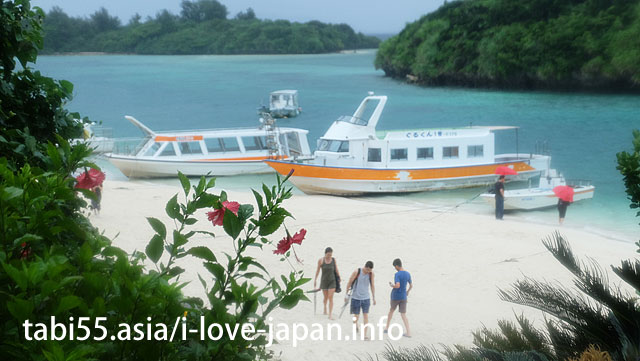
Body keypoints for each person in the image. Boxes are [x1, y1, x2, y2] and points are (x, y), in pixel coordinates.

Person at [346, 261, 376, 339]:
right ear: (365, 267)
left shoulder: (371, 274)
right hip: (356, 297)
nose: (368, 272)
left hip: (366, 298)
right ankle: (355, 325)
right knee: (356, 316)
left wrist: (374, 297)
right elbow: (349, 283)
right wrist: (347, 295)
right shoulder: (357, 272)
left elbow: (372, 285)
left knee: (365, 315)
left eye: (369, 270)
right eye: (367, 270)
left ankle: (364, 334)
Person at [385, 258, 412, 337]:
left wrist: (392, 285)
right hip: (403, 296)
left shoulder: (397, 274)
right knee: (403, 314)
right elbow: (411, 285)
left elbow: (397, 285)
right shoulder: (408, 274)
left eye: (395, 267)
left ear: (397, 266)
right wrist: (407, 291)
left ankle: (387, 327)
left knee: (391, 310)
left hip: (396, 296)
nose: (395, 268)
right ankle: (408, 332)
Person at [314, 247, 340, 320]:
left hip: (332, 281)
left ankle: (330, 315)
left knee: (330, 297)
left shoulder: (333, 260)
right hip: (324, 281)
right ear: (325, 253)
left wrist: (339, 277)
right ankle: (325, 308)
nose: (329, 256)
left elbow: (336, 269)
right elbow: (318, 271)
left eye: (331, 255)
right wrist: (315, 280)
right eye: (328, 255)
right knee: (325, 298)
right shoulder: (321, 261)